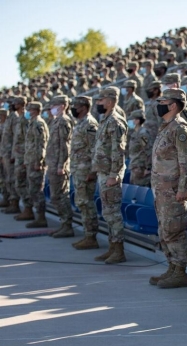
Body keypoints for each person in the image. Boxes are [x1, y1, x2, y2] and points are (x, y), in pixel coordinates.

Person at [149, 89, 187, 288]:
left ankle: (180, 272)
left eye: (163, 101)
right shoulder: (166, 127)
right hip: (161, 188)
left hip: (173, 189)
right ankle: (171, 267)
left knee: (174, 230)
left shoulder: (180, 128)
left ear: (173, 105)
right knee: (165, 230)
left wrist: (183, 188)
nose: (159, 104)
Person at [92, 87, 128, 264]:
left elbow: (118, 150)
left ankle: (119, 250)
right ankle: (112, 247)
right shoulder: (105, 119)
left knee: (113, 214)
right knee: (107, 212)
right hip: (104, 172)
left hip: (110, 175)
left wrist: (115, 174)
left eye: (101, 100)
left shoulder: (114, 121)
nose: (98, 103)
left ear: (110, 100)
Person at [69, 96, 100, 248]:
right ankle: (88, 235)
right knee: (81, 203)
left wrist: (93, 171)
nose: (73, 108)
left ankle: (91, 237)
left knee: (86, 203)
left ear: (83, 107)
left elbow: (95, 149)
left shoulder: (89, 124)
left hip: (86, 171)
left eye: (76, 105)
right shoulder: (80, 123)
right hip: (78, 169)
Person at [46, 95, 75, 238]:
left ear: (62, 106)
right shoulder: (56, 121)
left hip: (59, 165)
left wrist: (61, 165)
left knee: (60, 196)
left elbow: (65, 145)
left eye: (54, 106)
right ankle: (64, 224)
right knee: (55, 196)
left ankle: (67, 225)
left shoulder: (64, 121)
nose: (51, 109)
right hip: (53, 163)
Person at [23, 102, 49, 228]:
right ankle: (37, 216)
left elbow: (41, 144)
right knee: (32, 190)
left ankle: (41, 218)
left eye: (30, 109)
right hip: (31, 160)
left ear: (36, 110)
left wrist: (38, 161)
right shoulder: (32, 123)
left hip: (36, 162)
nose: (27, 112)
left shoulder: (39, 123)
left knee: (37, 191)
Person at [11, 96, 31, 221]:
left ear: (20, 104)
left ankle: (28, 209)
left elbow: (28, 139)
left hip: (22, 156)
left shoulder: (24, 119)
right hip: (18, 155)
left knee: (21, 183)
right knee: (18, 183)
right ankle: (26, 208)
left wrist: (25, 158)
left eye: (14, 103)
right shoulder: (19, 118)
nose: (12, 105)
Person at [127, 110, 153, 187]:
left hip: (141, 170)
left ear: (137, 121)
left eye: (132, 119)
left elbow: (148, 150)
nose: (130, 121)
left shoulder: (143, 134)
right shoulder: (135, 133)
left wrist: (148, 168)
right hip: (135, 168)